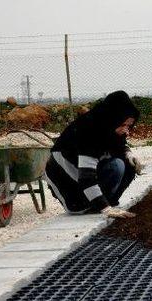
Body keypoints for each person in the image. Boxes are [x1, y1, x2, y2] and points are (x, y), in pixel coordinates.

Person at [45, 90, 142, 218]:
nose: (126, 131)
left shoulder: (108, 127)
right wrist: (106, 209)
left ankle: (104, 202)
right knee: (116, 166)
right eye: (122, 125)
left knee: (128, 164)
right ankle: (95, 204)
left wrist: (129, 154)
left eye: (129, 126)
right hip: (68, 182)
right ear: (113, 119)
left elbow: (118, 145)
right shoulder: (90, 131)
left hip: (83, 174)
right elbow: (86, 176)